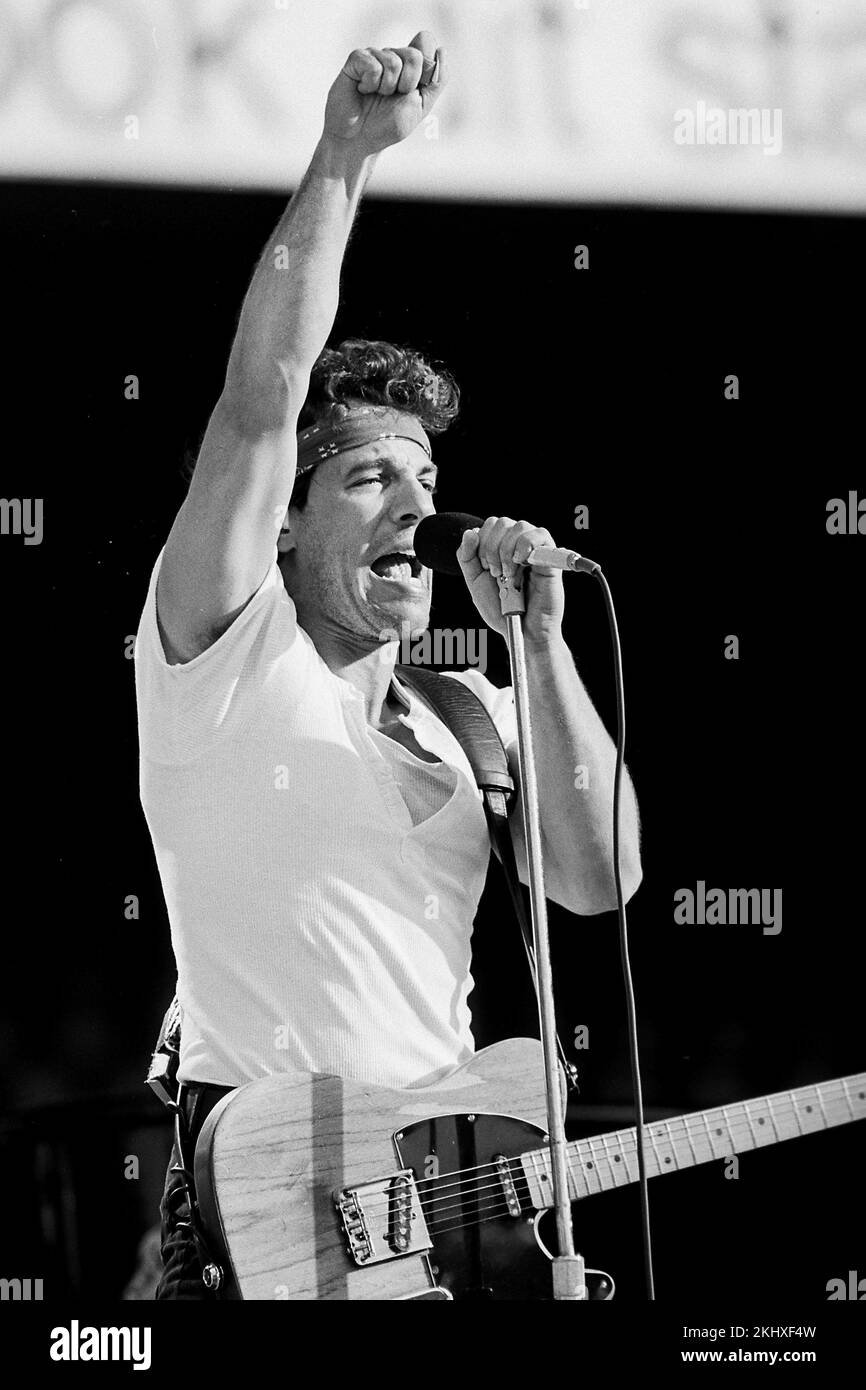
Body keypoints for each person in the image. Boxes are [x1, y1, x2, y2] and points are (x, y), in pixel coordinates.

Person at [134, 30, 643, 1299]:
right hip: (271, 1200)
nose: (415, 505)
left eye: (428, 478)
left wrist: (537, 646)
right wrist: (345, 157)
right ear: (288, 520)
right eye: (370, 477)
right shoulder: (221, 648)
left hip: (437, 1214)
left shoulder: (473, 709)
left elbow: (600, 880)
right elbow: (264, 393)